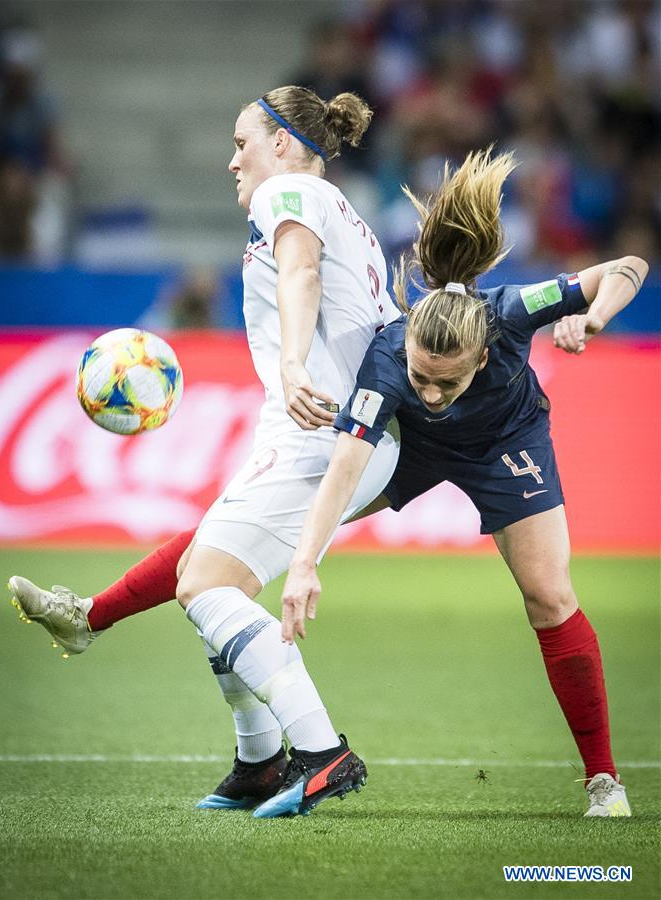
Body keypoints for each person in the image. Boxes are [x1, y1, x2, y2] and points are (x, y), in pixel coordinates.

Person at [9, 86, 401, 819]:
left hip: (321, 426)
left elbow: (302, 273)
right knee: (208, 570)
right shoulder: (340, 207)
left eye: (241, 143)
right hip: (339, 427)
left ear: (282, 143)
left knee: (206, 588)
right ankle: (258, 761)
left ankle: (322, 751)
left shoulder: (285, 190)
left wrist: (293, 363)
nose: (232, 161)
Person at [279, 148, 647, 819]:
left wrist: (594, 317)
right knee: (274, 519)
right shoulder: (387, 361)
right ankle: (98, 612)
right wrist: (304, 563)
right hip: (414, 450)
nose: (430, 391)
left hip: (507, 444)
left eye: (447, 381)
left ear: (482, 356)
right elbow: (343, 471)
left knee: (550, 596)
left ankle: (604, 780)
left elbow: (629, 267)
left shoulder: (512, 311)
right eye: (420, 377)